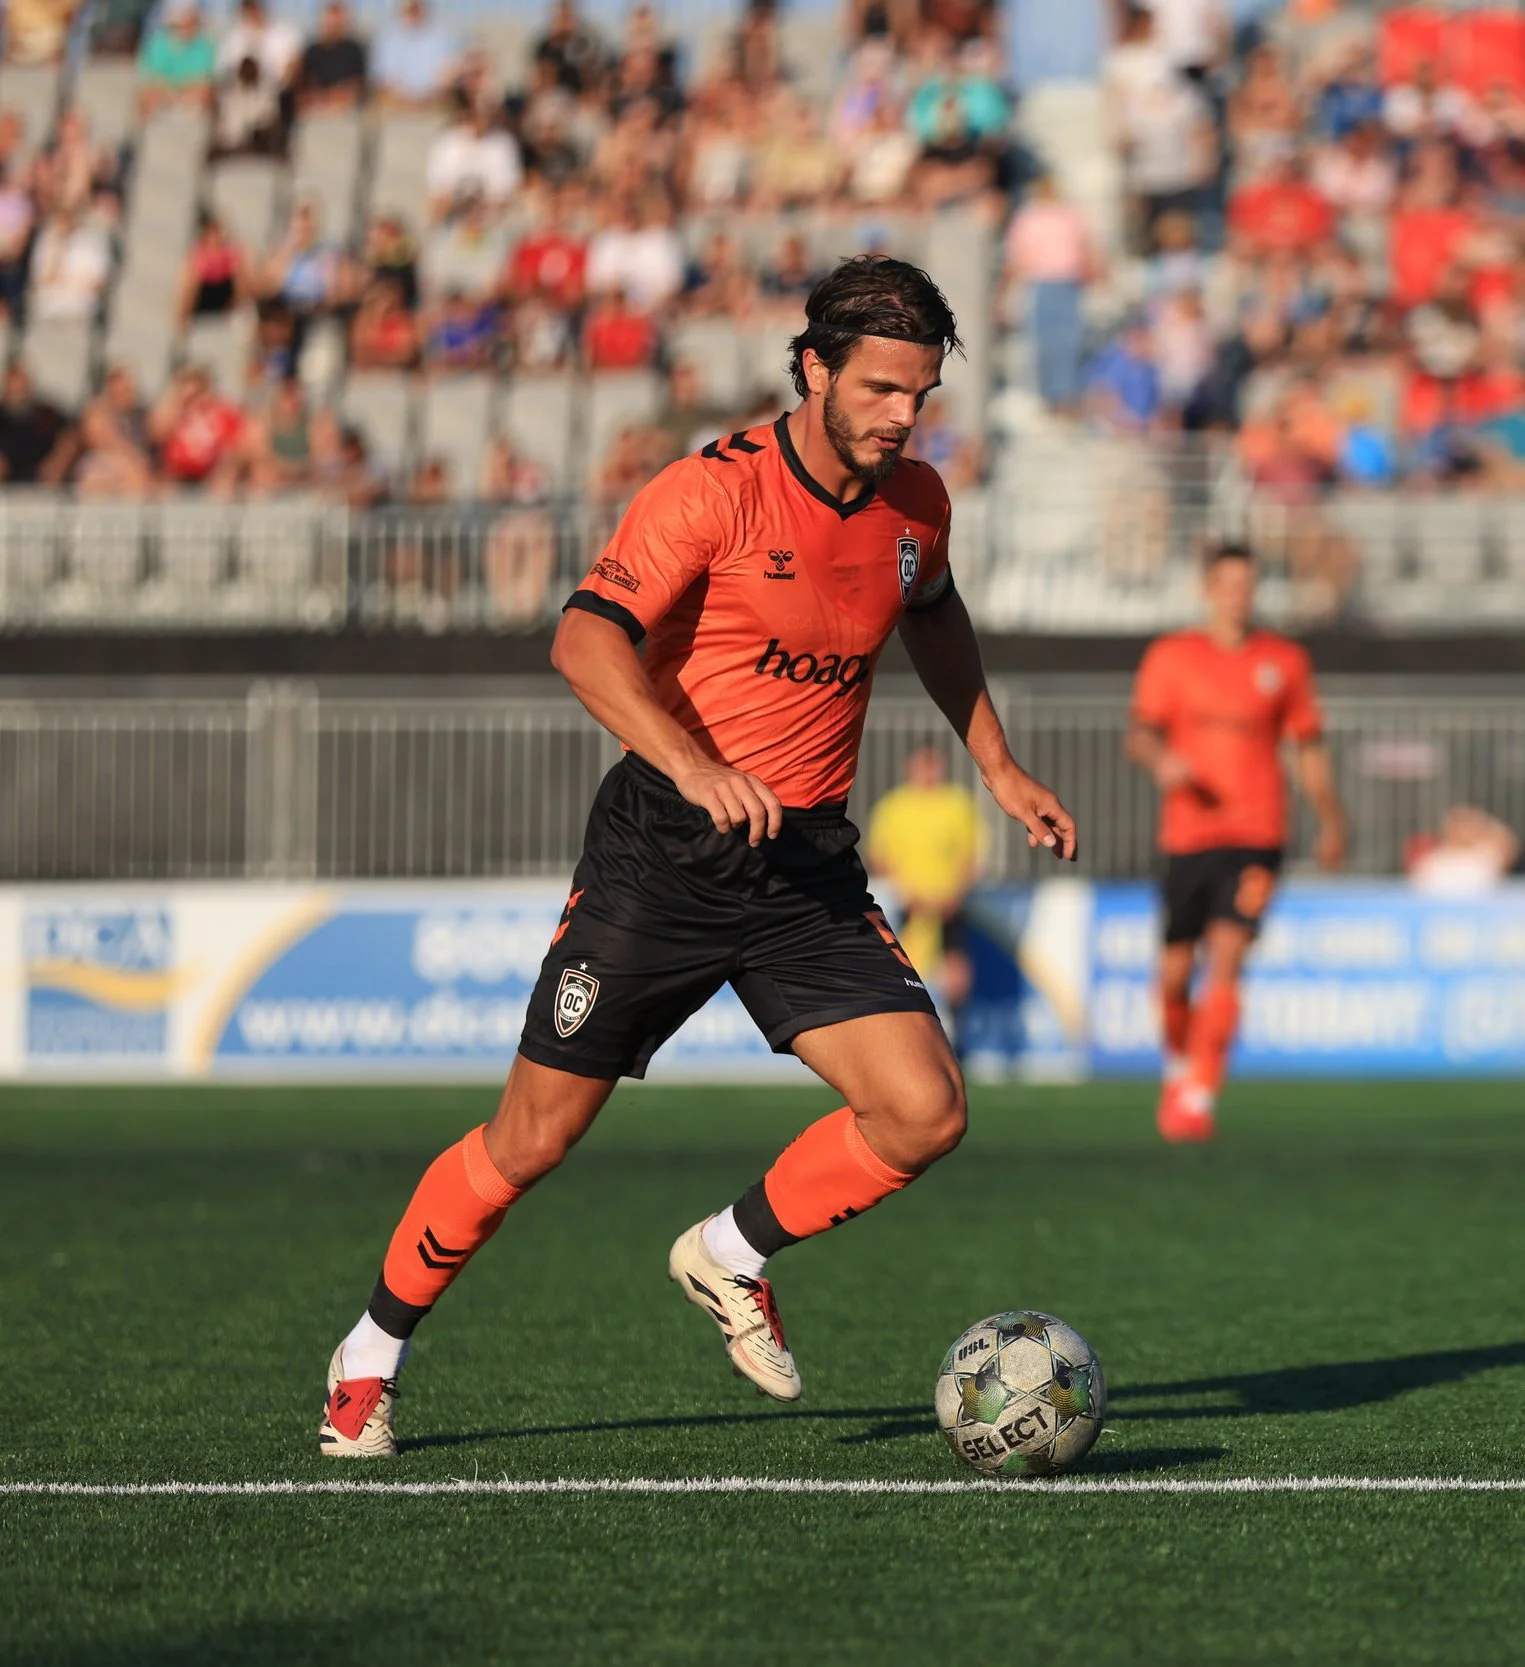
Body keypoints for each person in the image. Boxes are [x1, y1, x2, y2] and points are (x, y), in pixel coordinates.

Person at [317, 255, 1079, 1459]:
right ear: (813, 368)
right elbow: (581, 641)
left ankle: (728, 1251)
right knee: (531, 1139)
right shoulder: (708, 493)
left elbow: (934, 611)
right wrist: (690, 762)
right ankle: (369, 1353)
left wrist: (997, 763)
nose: (899, 415)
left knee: (925, 1110)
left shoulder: (916, 504)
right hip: (661, 858)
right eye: (879, 387)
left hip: (806, 864)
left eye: (918, 395)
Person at [1127, 544, 1347, 1143]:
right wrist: (1163, 761)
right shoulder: (1173, 656)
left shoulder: (1284, 660)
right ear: (1207, 589)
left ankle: (1200, 1093)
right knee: (1175, 972)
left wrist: (1330, 818)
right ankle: (1179, 1067)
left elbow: (1307, 748)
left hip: (1257, 833)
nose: (1238, 595)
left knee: (1227, 955)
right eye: (1227, 584)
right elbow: (1139, 735)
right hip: (1188, 834)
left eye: (1247, 584)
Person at [864, 742, 985, 1021]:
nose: (929, 773)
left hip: (948, 903)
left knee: (956, 976)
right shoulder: (894, 806)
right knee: (903, 971)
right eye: (924, 766)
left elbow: (971, 854)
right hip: (908, 905)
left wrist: (955, 893)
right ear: (912, 768)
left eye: (934, 766)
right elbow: (879, 857)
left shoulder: (957, 803)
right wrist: (904, 892)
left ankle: (954, 1033)